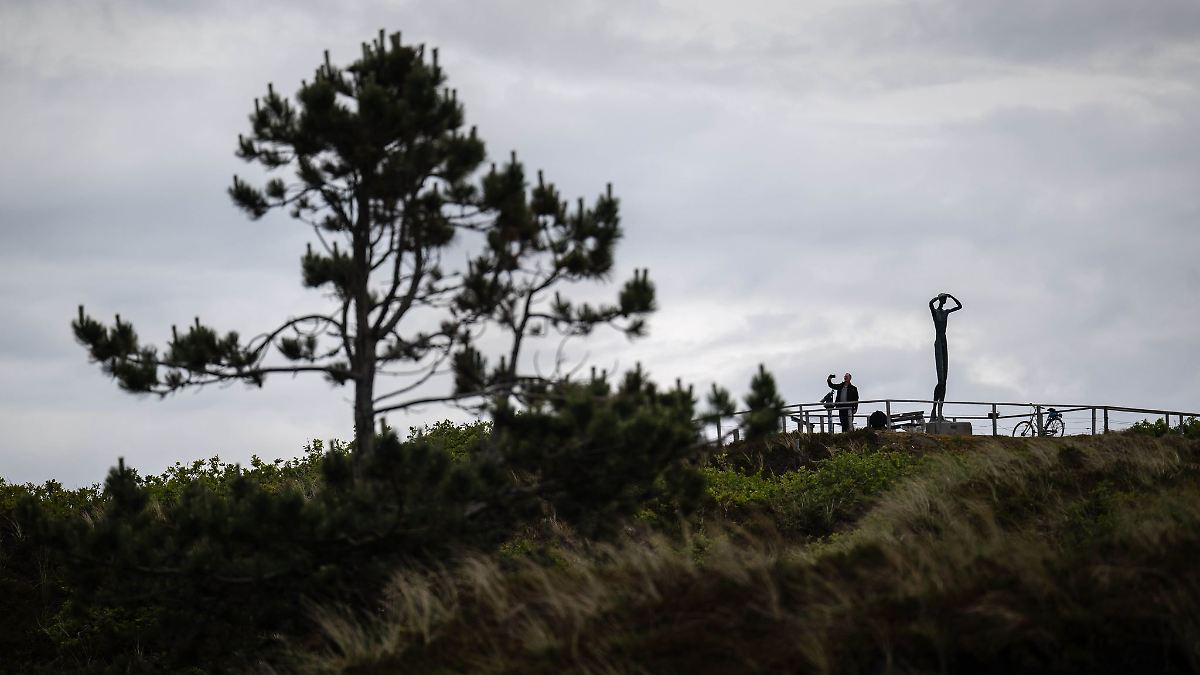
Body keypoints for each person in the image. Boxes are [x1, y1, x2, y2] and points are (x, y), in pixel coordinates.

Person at [929, 293, 963, 421]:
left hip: (944, 343)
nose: (944, 301)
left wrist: (951, 296)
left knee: (945, 381)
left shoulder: (946, 312)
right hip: (938, 342)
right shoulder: (936, 312)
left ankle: (939, 412)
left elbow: (959, 306)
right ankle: (934, 411)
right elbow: (930, 304)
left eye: (944, 300)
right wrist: (939, 296)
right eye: (943, 299)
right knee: (941, 380)